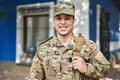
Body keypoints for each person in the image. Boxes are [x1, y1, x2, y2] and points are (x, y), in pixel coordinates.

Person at [30, 1, 110, 80]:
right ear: (54, 22)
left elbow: (105, 68)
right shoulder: (43, 48)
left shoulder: (87, 46)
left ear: (74, 21)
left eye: (67, 18)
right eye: (58, 18)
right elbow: (35, 77)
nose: (63, 22)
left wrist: (86, 68)